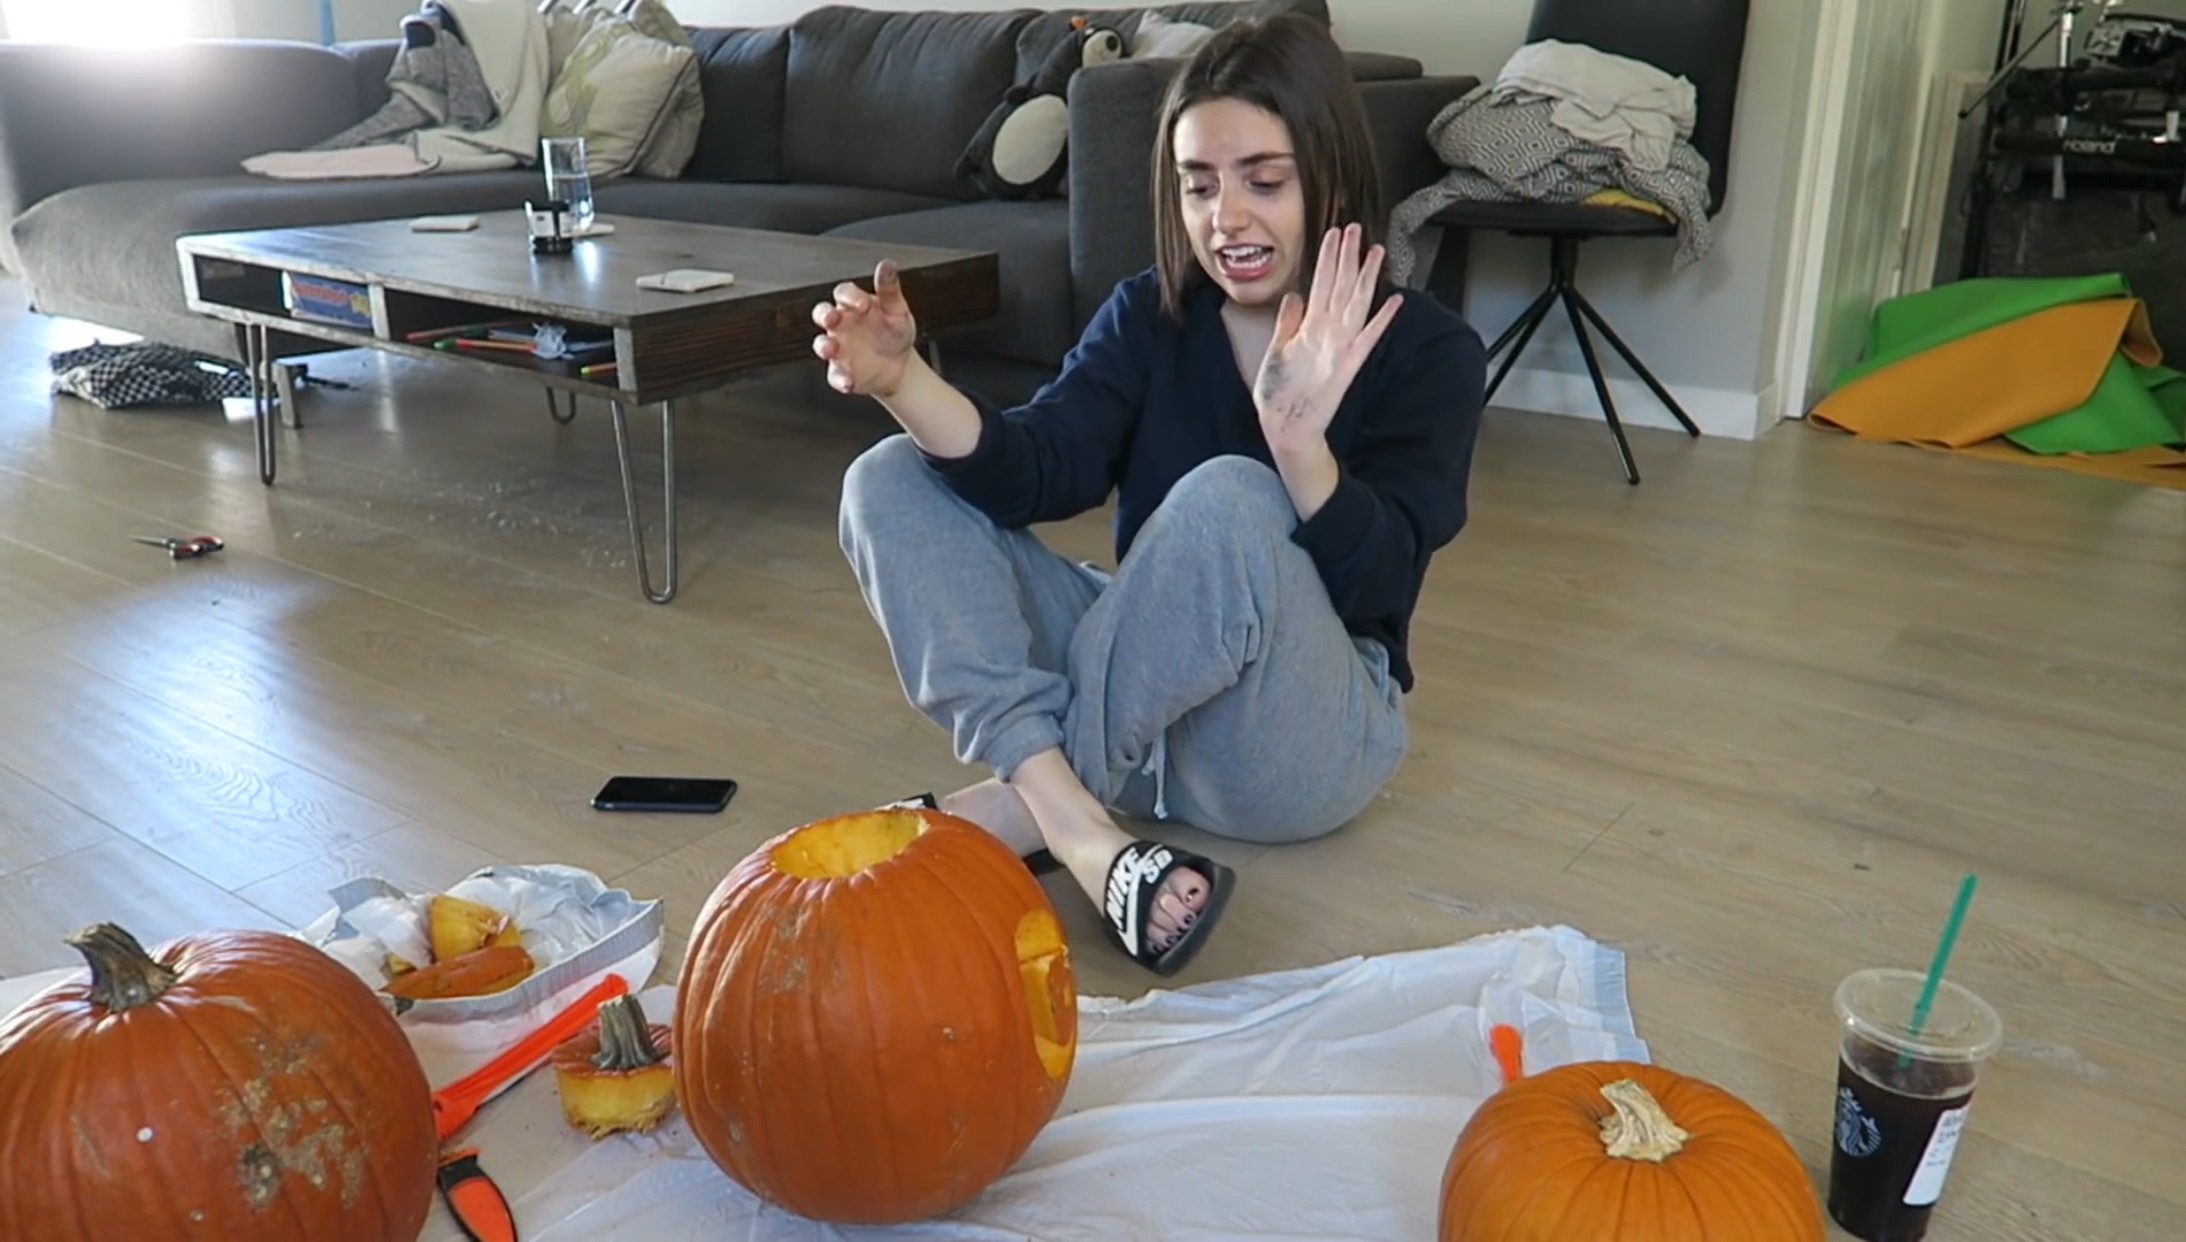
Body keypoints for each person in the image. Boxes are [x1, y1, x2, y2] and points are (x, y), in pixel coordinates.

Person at [815, 14, 1486, 977]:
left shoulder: (1431, 351)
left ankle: (1024, 809)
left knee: (1232, 497)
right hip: (1141, 707)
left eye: (1264, 182)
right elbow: (1040, 467)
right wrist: (902, 381)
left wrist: (1298, 445)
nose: (1226, 219)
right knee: (886, 476)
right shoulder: (1149, 314)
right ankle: (1077, 825)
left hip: (1296, 738)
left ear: (1331, 178)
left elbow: (1379, 582)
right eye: (1199, 185)